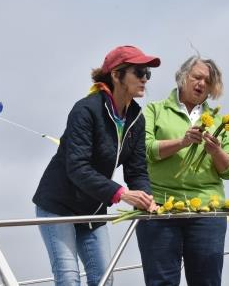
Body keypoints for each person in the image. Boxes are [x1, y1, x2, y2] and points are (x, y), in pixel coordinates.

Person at [32, 45, 159, 286]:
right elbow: (77, 167)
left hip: (92, 208)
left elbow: (137, 170)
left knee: (103, 279)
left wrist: (147, 198)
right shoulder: (86, 109)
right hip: (58, 204)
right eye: (139, 72)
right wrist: (121, 193)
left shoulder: (136, 119)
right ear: (116, 74)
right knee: (69, 279)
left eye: (147, 74)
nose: (145, 79)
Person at [136, 56, 229, 286]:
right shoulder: (154, 110)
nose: (202, 84)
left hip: (206, 211)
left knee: (207, 282)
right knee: (161, 282)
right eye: (197, 77)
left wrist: (216, 152)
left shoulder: (219, 121)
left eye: (208, 81)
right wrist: (181, 142)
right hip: (160, 208)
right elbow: (143, 150)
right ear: (183, 77)